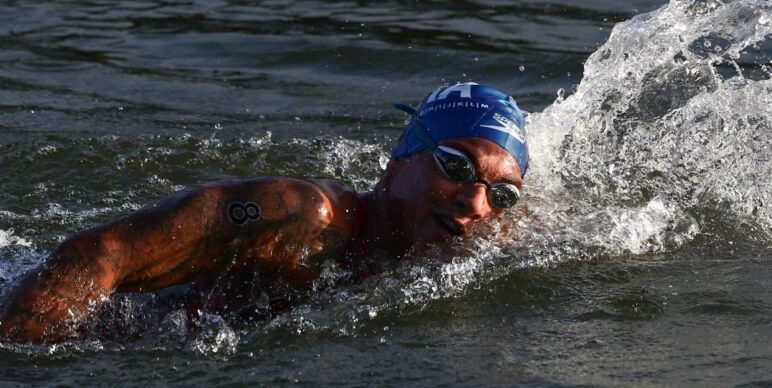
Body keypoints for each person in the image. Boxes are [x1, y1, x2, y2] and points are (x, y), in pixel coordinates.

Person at [0, 83, 529, 344]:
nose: (475, 202)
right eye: (456, 166)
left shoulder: (470, 245)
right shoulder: (302, 216)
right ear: (399, 161)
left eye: (501, 193)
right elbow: (102, 253)